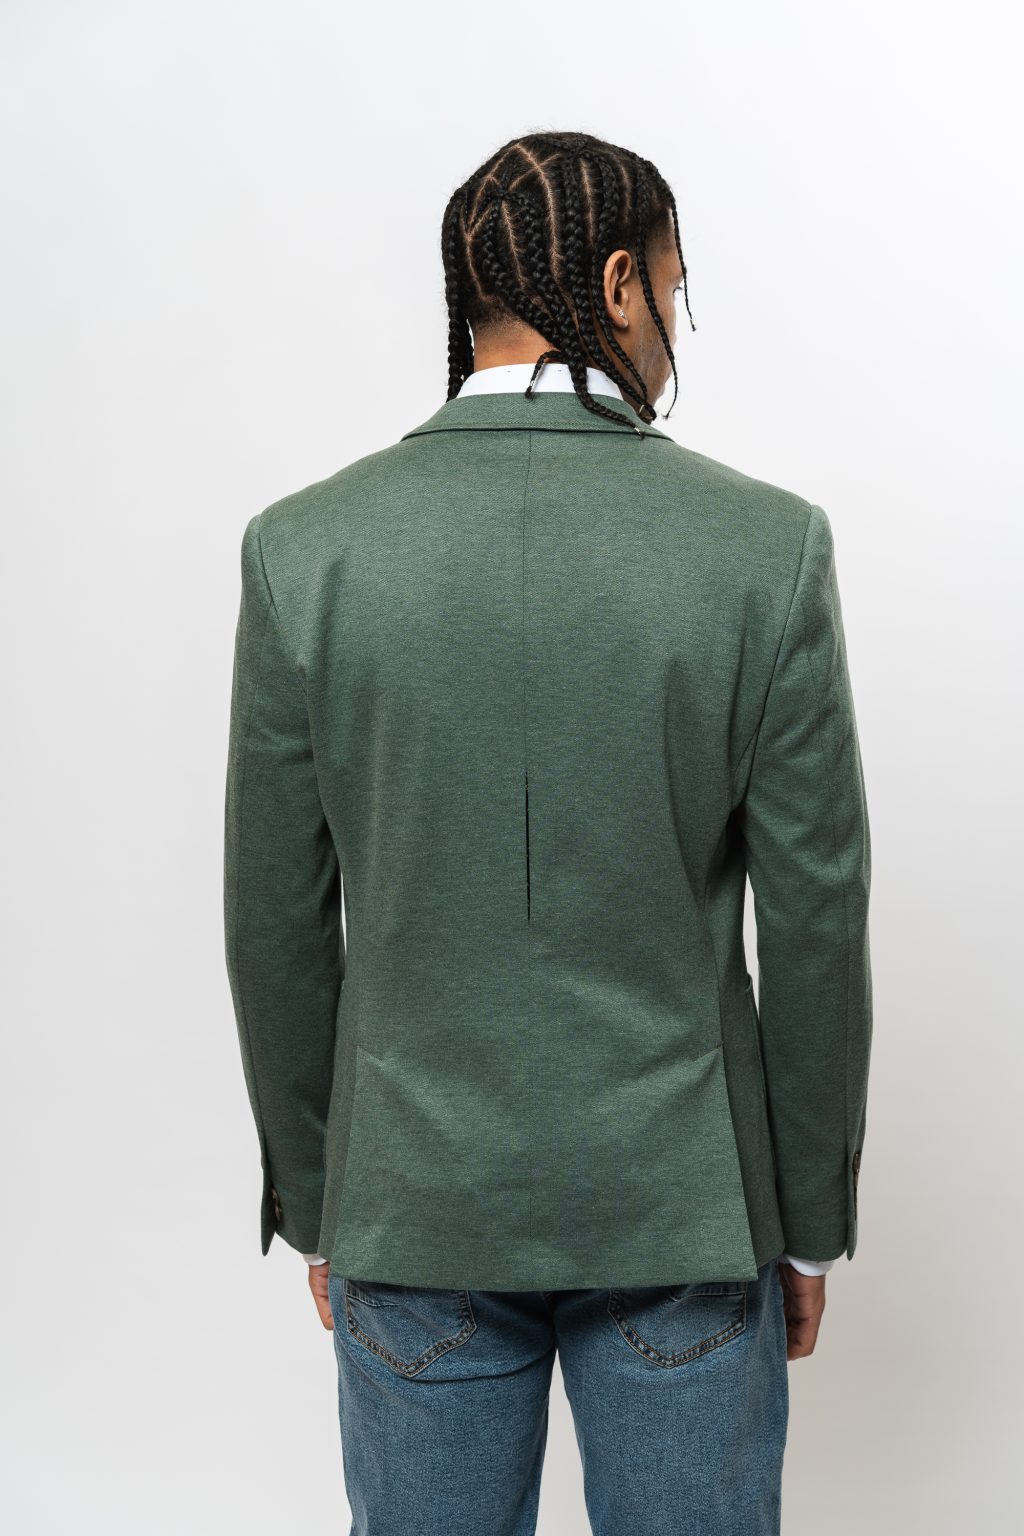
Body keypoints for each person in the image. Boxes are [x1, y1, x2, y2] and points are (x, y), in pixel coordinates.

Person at [223, 129, 872, 1536]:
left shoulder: (304, 551)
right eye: (676, 293)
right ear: (619, 285)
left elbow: (275, 918)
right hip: (685, 1214)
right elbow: (817, 916)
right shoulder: (766, 549)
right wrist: (807, 1221)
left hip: (414, 1204)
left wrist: (321, 1198)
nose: (673, 332)